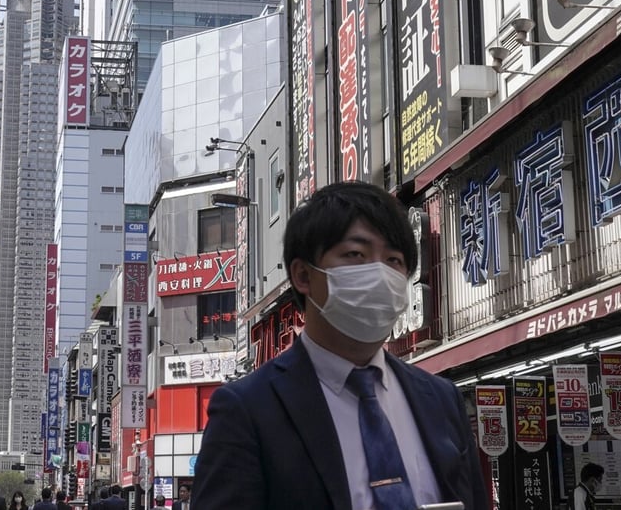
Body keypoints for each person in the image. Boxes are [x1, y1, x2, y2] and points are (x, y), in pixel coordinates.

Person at [192, 181, 489, 509]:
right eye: (355, 254)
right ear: (304, 275)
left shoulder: (441, 399)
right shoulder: (247, 411)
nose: (379, 274)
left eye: (393, 260)